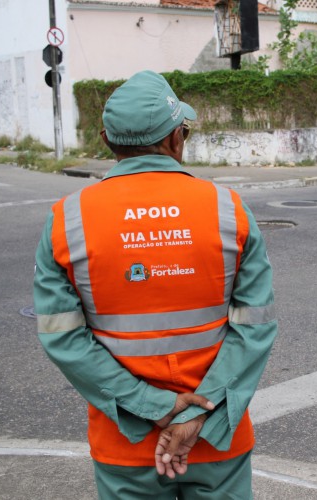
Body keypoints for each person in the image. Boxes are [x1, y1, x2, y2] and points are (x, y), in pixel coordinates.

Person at [33, 70, 278, 499]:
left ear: (109, 143)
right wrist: (194, 417)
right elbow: (254, 326)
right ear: (176, 139)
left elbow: (63, 338)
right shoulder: (228, 209)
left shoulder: (67, 220)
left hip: (125, 443)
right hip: (216, 436)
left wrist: (157, 408)